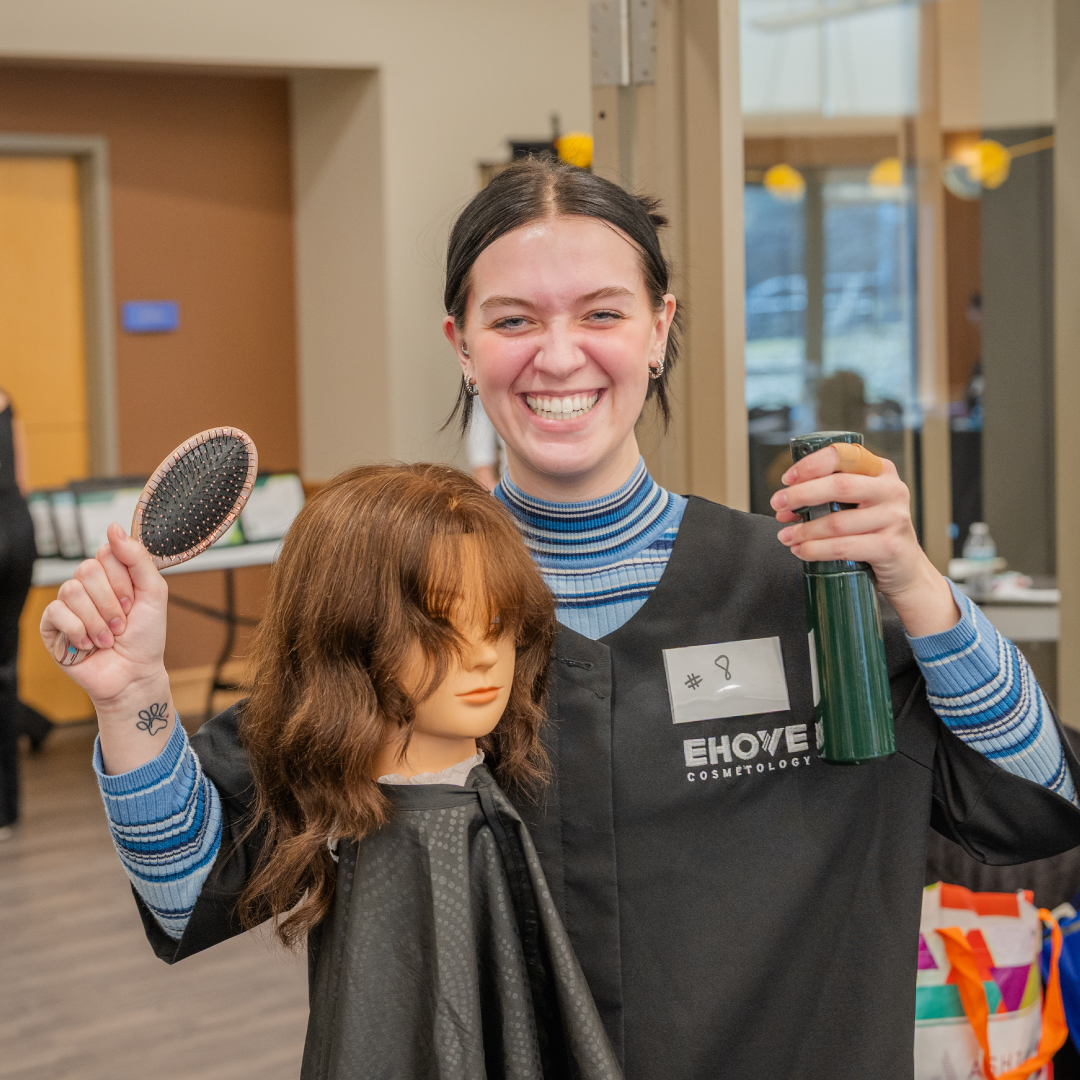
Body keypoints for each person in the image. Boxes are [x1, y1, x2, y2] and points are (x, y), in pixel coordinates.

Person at [42, 160, 1080, 1078]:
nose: (559, 354)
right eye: (513, 320)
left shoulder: (809, 588)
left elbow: (1036, 804)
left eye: (601, 312)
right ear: (460, 342)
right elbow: (194, 889)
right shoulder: (387, 601)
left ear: (660, 328)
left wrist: (922, 592)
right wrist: (134, 698)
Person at [45, 463, 621, 1080]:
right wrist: (131, 695)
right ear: (349, 639)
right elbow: (184, 888)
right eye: (440, 628)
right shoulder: (336, 775)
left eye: (499, 623)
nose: (483, 655)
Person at [0, 388, 38, 836]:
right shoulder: (9, 400)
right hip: (18, 533)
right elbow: (22, 483)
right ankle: (6, 810)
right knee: (5, 672)